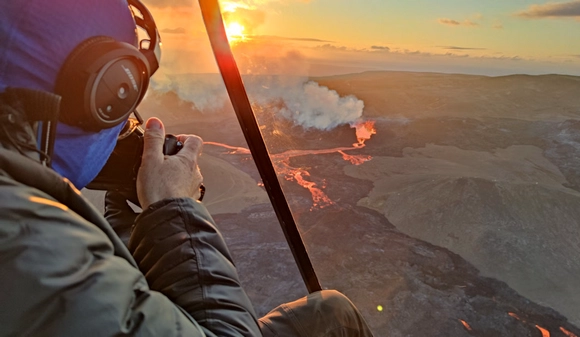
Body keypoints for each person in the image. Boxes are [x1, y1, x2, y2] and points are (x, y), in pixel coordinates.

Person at [0, 1, 374, 336]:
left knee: (332, 314)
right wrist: (174, 210)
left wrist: (134, 248)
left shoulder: (24, 209)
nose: (126, 123)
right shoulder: (26, 239)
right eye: (118, 105)